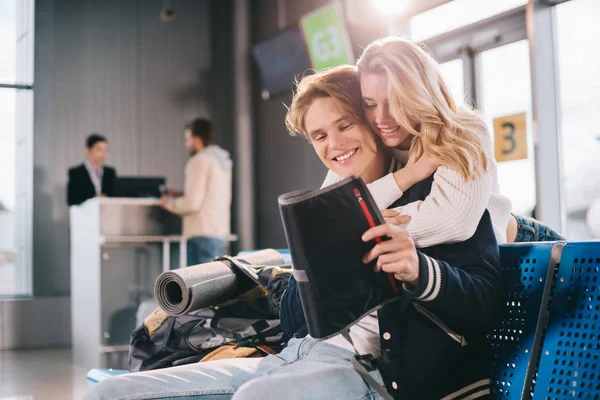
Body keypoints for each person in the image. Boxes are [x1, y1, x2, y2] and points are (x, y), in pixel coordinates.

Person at [87, 66, 503, 400]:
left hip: (371, 374)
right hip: (296, 357)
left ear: (375, 122)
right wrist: (320, 267)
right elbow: (292, 322)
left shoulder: (443, 194)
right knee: (108, 393)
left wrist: (418, 270)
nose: (334, 144)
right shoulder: (326, 207)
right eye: (320, 136)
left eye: (345, 125)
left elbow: (482, 302)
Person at [322, 37, 564, 245]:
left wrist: (360, 225)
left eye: (397, 101)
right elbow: (326, 215)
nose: (382, 118)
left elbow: (455, 222)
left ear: (420, 94)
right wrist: (408, 176)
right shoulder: (363, 138)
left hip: (521, 247)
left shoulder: (461, 128)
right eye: (370, 104)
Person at [161, 118, 233, 266]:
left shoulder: (198, 161)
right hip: (218, 233)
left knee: (197, 286)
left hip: (201, 235)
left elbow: (192, 203)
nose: (186, 144)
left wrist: (168, 203)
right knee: (215, 285)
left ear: (197, 139)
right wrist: (181, 193)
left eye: (187, 139)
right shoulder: (221, 160)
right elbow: (210, 196)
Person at [67, 133, 117, 206]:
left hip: (107, 212)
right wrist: (93, 200)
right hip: (84, 213)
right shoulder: (76, 173)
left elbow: (115, 195)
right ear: (88, 150)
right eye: (99, 150)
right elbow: (72, 200)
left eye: (105, 150)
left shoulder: (110, 172)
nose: (103, 154)